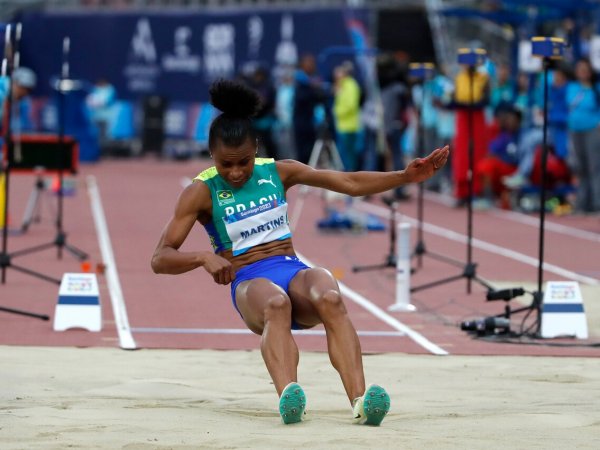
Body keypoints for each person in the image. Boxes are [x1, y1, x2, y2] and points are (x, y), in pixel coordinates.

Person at [151, 79, 449, 426]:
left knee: (329, 292)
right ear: (211, 156)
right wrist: (203, 257)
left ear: (256, 149)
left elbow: (348, 183)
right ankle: (289, 397)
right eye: (225, 164)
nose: (235, 172)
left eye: (244, 162)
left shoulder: (279, 171)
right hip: (250, 282)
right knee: (276, 304)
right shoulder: (201, 192)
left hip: (290, 269)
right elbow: (160, 258)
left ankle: (360, 402)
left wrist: (404, 176)